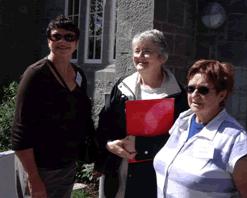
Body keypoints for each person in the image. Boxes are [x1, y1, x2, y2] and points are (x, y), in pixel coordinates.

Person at [94, 29, 188, 198]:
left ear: (162, 57)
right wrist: (108, 145)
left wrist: (141, 146)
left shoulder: (178, 95)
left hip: (153, 175)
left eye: (147, 51)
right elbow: (105, 124)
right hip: (119, 171)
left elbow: (181, 138)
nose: (140, 56)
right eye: (137, 51)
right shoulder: (122, 87)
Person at [11, 15, 95, 198]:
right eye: (56, 36)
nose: (62, 41)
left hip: (66, 166)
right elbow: (20, 131)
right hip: (40, 169)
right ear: (49, 40)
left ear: (76, 43)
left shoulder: (79, 75)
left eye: (69, 37)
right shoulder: (36, 75)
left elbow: (83, 116)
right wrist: (33, 179)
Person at [154, 59, 247, 197]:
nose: (194, 95)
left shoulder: (236, 140)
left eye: (203, 90)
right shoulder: (182, 122)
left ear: (222, 94)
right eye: (190, 88)